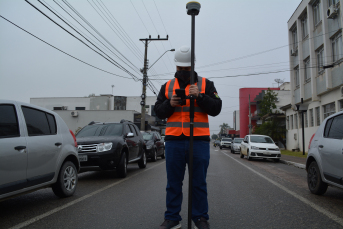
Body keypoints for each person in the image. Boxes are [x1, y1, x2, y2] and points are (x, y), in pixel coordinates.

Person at [154, 45, 222, 229]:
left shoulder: (206, 84)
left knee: (198, 182)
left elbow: (216, 108)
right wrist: (170, 104)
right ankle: (172, 218)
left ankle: (200, 217)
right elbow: (158, 112)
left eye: (186, 68)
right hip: (174, 141)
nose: (183, 72)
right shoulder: (167, 87)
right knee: (173, 183)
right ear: (175, 67)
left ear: (193, 65)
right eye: (180, 69)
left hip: (198, 140)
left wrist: (200, 96)